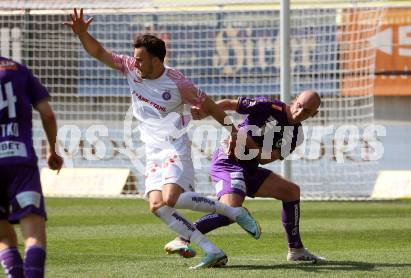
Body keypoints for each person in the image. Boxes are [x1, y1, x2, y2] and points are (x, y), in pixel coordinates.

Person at [64, 8, 261, 269]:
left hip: (174, 147)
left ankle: (233, 211)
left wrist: (234, 132)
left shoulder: (178, 83)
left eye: (141, 59)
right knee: (157, 206)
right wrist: (82, 34)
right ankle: (211, 250)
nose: (135, 63)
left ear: (157, 60)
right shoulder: (131, 69)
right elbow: (100, 53)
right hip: (152, 151)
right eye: (134, 58)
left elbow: (212, 107)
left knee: (171, 199)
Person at [166, 90, 325, 264]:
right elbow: (228, 103)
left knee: (291, 191)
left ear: (314, 114)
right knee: (231, 212)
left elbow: (266, 158)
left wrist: (248, 142)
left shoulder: (296, 135)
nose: (299, 112)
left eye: (307, 111)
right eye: (299, 106)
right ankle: (183, 238)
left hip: (250, 168)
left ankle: (296, 250)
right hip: (229, 162)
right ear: (295, 101)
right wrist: (204, 112)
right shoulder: (268, 106)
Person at [0, 56, 64, 278]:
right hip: (21, 163)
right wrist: (53, 149)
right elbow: (47, 114)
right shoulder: (17, 70)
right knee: (33, 236)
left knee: (4, 238)